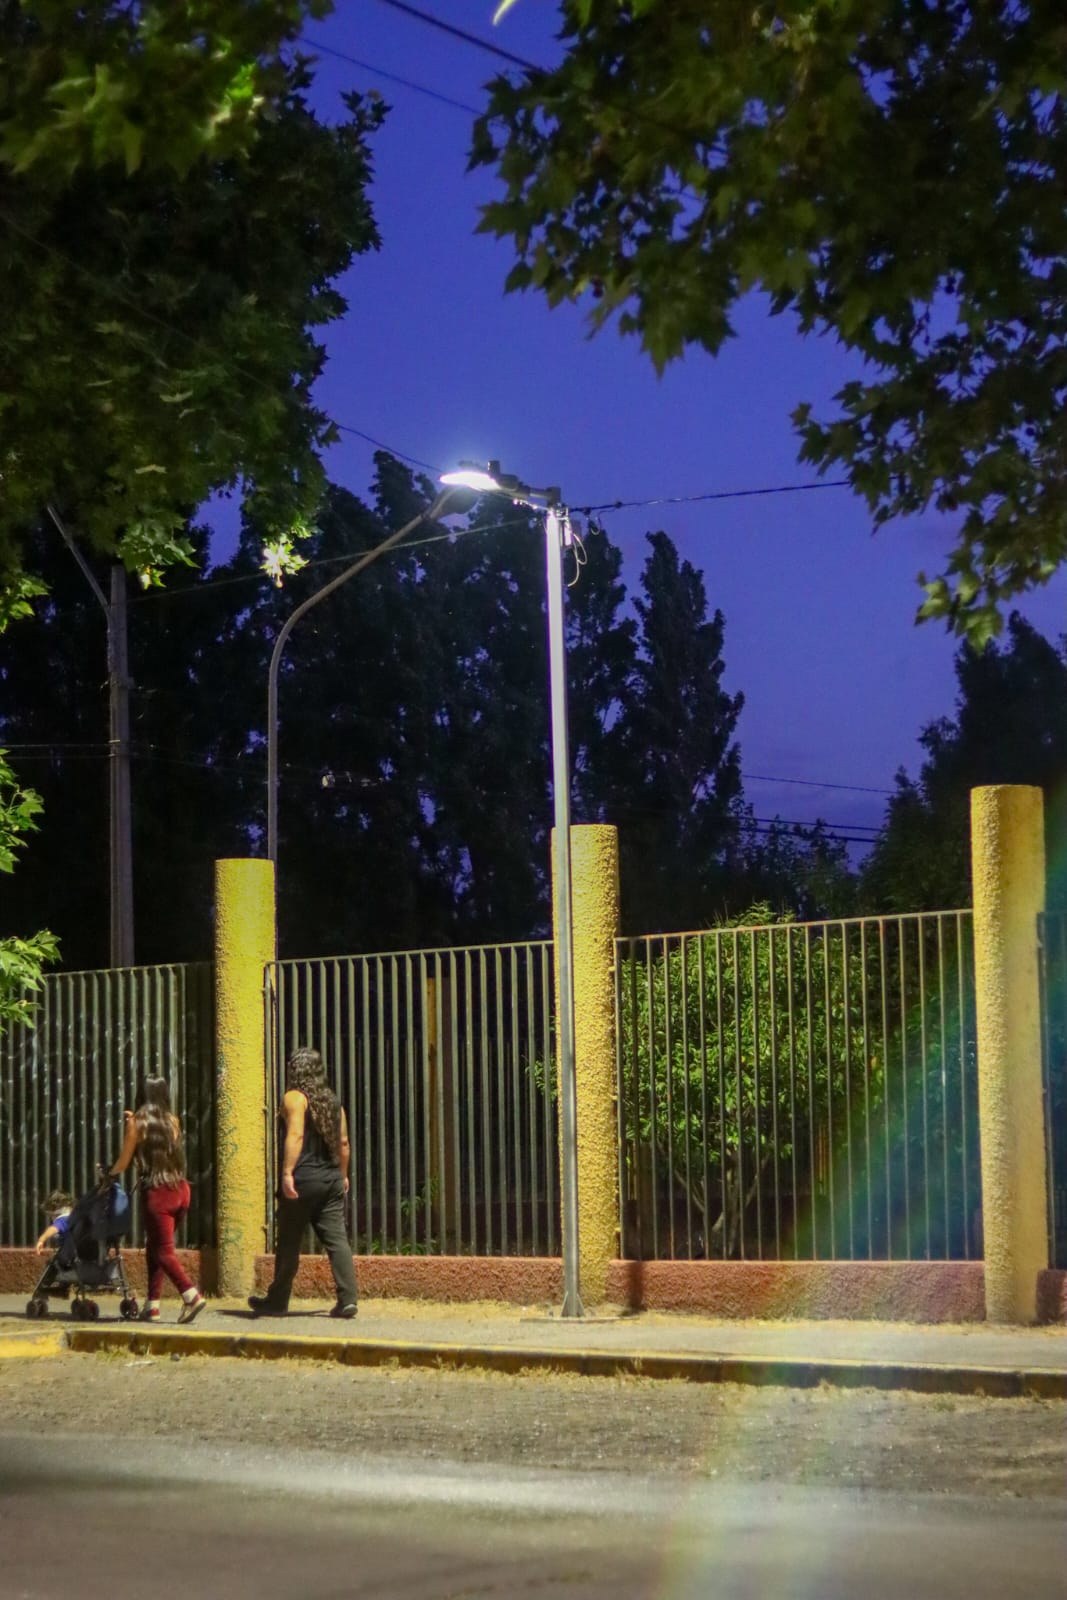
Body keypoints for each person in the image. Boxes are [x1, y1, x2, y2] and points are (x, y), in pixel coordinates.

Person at [249, 1046, 357, 1319]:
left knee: (288, 1241)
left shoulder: (295, 1098)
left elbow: (296, 1135)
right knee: (336, 1240)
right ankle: (348, 1299)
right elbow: (344, 1143)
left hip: (303, 1180)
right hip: (331, 1178)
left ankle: (277, 1300)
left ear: (295, 1070)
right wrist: (343, 1175)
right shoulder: (333, 1103)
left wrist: (287, 1173)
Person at [108, 1075, 206, 1324]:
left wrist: (107, 1173)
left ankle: (191, 1295)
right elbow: (161, 1144)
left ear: (141, 1095)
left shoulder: (137, 1124)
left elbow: (124, 1161)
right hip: (181, 1189)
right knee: (155, 1248)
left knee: (163, 1252)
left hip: (158, 1193)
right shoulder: (173, 1121)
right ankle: (152, 1306)